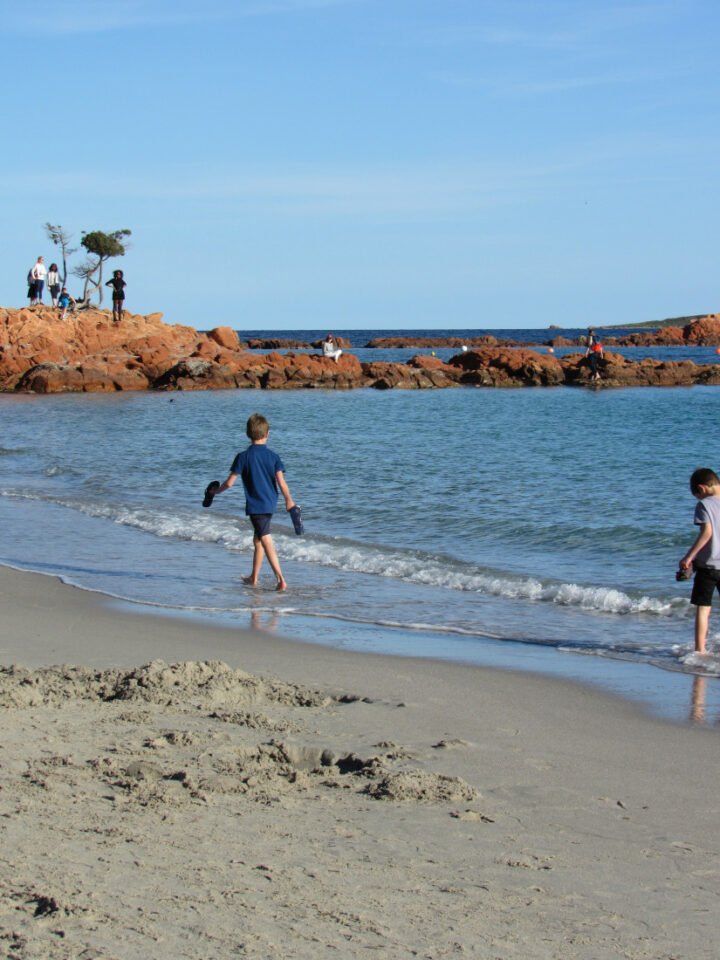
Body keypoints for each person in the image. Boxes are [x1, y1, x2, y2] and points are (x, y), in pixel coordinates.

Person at [212, 413, 296, 592]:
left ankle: (281, 579)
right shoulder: (274, 456)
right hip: (270, 502)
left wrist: (214, 492)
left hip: (256, 505)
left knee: (265, 539)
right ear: (267, 434)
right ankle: (253, 577)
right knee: (257, 539)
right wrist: (289, 500)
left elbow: (229, 482)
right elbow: (281, 482)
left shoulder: (242, 457)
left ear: (247, 434)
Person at [678, 467, 720, 654]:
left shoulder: (705, 505)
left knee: (703, 609)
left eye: (697, 495)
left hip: (708, 566)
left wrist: (689, 557)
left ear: (702, 489)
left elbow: (707, 533)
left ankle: (700, 651)